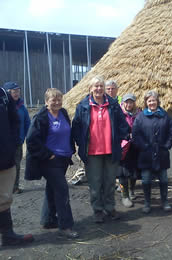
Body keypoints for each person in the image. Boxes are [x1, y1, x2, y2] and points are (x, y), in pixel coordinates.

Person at [72, 76, 129, 223]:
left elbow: (123, 125)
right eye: (95, 86)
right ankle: (98, 210)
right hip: (92, 152)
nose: (98, 89)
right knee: (95, 183)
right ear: (90, 88)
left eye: (101, 86)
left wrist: (120, 140)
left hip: (111, 150)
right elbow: (76, 127)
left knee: (110, 182)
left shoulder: (113, 105)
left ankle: (110, 208)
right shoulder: (83, 106)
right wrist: (81, 143)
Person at [25, 88, 78, 238]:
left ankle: (47, 220)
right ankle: (65, 226)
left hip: (64, 159)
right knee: (62, 190)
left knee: (52, 188)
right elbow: (31, 140)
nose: (56, 102)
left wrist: (71, 149)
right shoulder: (41, 117)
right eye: (53, 100)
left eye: (59, 99)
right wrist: (48, 155)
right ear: (46, 102)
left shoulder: (63, 113)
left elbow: (67, 133)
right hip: (50, 161)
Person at [132, 90, 172, 213]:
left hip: (161, 153)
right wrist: (144, 147)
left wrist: (166, 146)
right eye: (149, 100)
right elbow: (136, 134)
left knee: (164, 179)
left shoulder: (165, 116)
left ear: (158, 101)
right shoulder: (140, 117)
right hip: (146, 154)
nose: (152, 103)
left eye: (154, 100)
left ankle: (165, 201)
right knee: (146, 180)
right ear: (146, 102)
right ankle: (147, 203)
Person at [0, 86, 34, 246]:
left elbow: (15, 121)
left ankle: (8, 235)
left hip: (4, 157)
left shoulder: (3, 96)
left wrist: (12, 144)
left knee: (4, 198)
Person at [3, 82, 31, 194]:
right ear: (7, 93)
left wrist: (28, 136)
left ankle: (15, 187)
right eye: (14, 91)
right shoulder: (3, 106)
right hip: (5, 143)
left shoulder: (21, 107)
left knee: (16, 165)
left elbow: (27, 122)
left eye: (18, 91)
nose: (16, 93)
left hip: (18, 141)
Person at [117, 93, 141, 208]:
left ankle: (131, 191)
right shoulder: (119, 114)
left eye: (131, 102)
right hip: (123, 146)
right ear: (123, 103)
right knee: (122, 172)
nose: (129, 104)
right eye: (127, 102)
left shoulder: (139, 114)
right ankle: (124, 195)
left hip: (135, 147)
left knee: (134, 172)